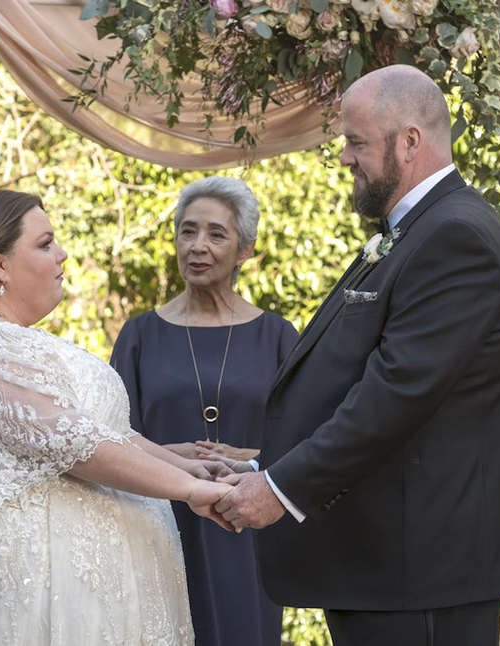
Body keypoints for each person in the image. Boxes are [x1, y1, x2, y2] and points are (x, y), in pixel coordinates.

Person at [214, 65, 500, 645]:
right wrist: (266, 468)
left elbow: (393, 397)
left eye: (356, 142)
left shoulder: (457, 239)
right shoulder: (418, 230)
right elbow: (351, 375)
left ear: (409, 141)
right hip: (389, 570)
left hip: (423, 575)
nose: (344, 158)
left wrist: (281, 490)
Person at [0, 190, 234, 645]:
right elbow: (72, 442)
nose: (62, 255)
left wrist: (183, 465)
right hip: (31, 600)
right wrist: (191, 489)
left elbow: (92, 430)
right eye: (45, 244)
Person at [110, 176, 297, 646]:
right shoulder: (138, 336)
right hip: (160, 526)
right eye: (188, 231)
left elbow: (304, 442)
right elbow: (113, 441)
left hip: (245, 528)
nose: (198, 246)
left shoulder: (278, 337)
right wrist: (174, 456)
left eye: (216, 234)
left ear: (245, 249)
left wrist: (247, 457)